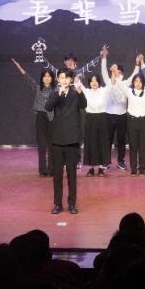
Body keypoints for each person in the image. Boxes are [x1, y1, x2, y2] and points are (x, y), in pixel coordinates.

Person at [45, 69, 87, 214]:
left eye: (67, 78)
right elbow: (48, 107)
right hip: (57, 139)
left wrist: (80, 91)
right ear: (58, 79)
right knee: (57, 176)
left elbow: (84, 105)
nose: (64, 80)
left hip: (72, 140)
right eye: (62, 78)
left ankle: (72, 204)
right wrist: (58, 93)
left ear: (71, 80)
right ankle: (57, 204)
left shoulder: (75, 94)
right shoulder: (54, 94)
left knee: (71, 175)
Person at [11, 59, 56, 177]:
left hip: (52, 118)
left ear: (52, 78)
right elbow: (27, 78)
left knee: (52, 145)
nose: (47, 78)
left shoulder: (56, 91)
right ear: (42, 78)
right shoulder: (37, 88)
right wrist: (19, 67)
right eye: (45, 76)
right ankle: (42, 170)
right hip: (40, 117)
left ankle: (51, 169)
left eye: (49, 76)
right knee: (42, 145)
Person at [124, 54, 145, 175]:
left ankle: (142, 168)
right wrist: (136, 64)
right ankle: (134, 169)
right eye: (136, 81)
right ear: (133, 82)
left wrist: (143, 63)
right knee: (133, 146)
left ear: (142, 83)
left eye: (140, 81)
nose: (138, 83)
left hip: (143, 120)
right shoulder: (129, 91)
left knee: (143, 146)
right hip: (132, 121)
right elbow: (119, 83)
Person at [101, 48, 129, 170]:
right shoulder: (108, 82)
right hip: (109, 114)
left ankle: (121, 161)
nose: (118, 74)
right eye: (115, 71)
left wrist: (138, 64)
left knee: (121, 140)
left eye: (120, 72)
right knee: (108, 139)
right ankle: (106, 161)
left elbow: (135, 73)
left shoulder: (126, 83)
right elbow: (103, 71)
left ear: (122, 74)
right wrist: (104, 57)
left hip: (122, 115)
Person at [76, 72, 110, 177]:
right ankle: (91, 168)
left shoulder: (104, 90)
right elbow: (77, 83)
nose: (94, 83)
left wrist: (113, 74)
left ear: (99, 82)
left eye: (96, 81)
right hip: (90, 119)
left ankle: (101, 168)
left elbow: (112, 83)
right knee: (91, 143)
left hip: (102, 119)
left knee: (101, 143)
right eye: (92, 81)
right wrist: (76, 78)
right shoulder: (86, 91)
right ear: (89, 82)